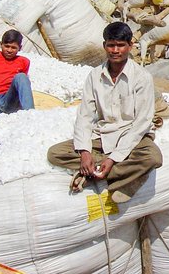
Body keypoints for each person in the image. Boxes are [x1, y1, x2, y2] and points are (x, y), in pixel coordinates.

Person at [47, 22, 162, 204]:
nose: (115, 50)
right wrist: (85, 152)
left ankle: (100, 172)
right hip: (102, 135)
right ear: (104, 46)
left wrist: (113, 158)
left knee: (153, 157)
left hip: (131, 137)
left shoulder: (141, 78)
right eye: (111, 45)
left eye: (120, 45)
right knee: (55, 153)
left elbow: (141, 123)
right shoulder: (94, 76)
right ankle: (118, 174)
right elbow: (85, 116)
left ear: (130, 46)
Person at [0, 29, 34, 115]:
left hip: (9, 100)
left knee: (21, 76)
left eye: (13, 47)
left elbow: (21, 85)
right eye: (7, 46)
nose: (9, 50)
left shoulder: (24, 61)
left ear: (20, 48)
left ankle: (31, 114)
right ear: (1, 44)